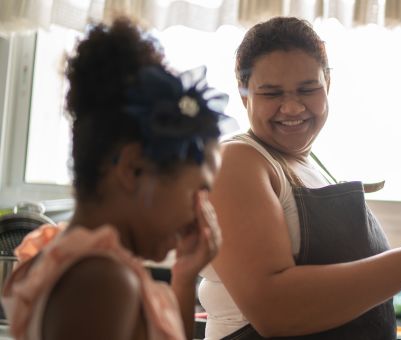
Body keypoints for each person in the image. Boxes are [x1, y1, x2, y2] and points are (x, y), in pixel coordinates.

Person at [198, 16, 401, 340]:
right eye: (271, 93)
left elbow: (328, 275)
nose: (291, 107)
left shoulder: (310, 164)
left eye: (308, 89)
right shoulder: (237, 162)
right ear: (245, 94)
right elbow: (274, 309)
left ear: (327, 85)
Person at [1, 17, 230, 340]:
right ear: (132, 169)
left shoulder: (61, 259)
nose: (200, 212)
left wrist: (184, 275)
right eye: (198, 190)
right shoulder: (101, 280)